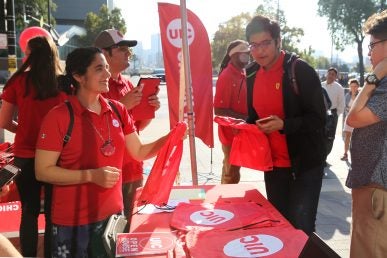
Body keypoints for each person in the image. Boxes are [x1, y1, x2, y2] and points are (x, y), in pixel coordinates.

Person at [34, 47, 172, 257]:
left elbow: (139, 151)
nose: (108, 74)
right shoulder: (58, 117)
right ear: (79, 76)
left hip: (112, 218)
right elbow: (43, 171)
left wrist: (171, 137)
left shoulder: (118, 109)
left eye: (107, 68)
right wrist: (91, 175)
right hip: (73, 222)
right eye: (99, 69)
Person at [244, 15, 326, 235]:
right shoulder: (251, 73)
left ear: (278, 41)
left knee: (300, 230)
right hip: (273, 167)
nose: (260, 51)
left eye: (266, 43)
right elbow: (253, 115)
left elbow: (319, 119)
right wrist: (243, 127)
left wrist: (284, 125)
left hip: (303, 166)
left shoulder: (299, 70)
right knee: (279, 228)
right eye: (254, 45)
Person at [0, 36, 66, 257]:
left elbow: (4, 121)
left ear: (29, 55)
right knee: (53, 213)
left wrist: (24, 129)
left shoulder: (17, 81)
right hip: (57, 158)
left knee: (28, 213)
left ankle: (27, 255)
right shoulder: (64, 83)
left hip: (25, 155)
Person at [94, 29, 160, 219]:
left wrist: (150, 108)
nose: (128, 53)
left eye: (129, 49)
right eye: (122, 49)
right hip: (107, 171)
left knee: (130, 224)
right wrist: (123, 105)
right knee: (108, 230)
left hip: (133, 167)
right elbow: (93, 126)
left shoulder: (127, 84)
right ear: (104, 53)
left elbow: (136, 127)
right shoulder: (93, 86)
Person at [345, 10, 387, 258]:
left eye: (372, 45)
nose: (369, 52)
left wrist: (375, 75)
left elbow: (354, 117)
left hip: (376, 188)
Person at [214, 39, 249, 184]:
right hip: (230, 135)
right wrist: (245, 118)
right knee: (231, 173)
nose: (248, 55)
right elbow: (219, 110)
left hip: (239, 133)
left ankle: (228, 201)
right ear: (234, 55)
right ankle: (227, 202)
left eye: (248, 53)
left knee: (234, 171)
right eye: (244, 53)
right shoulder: (227, 76)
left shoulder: (242, 73)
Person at [321, 67, 345, 163]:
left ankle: (324, 157)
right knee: (320, 135)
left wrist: (335, 116)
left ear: (336, 77)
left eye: (333, 74)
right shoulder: (320, 85)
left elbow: (341, 104)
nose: (330, 76)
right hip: (321, 113)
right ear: (326, 74)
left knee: (330, 137)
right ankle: (320, 157)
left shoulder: (339, 88)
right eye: (329, 73)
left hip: (332, 114)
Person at [340, 79, 360, 161]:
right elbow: (345, 108)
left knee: (357, 137)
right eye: (351, 86)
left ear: (358, 87)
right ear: (349, 87)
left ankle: (356, 155)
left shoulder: (360, 95)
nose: (353, 88)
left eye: (355, 86)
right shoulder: (347, 95)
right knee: (347, 136)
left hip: (358, 119)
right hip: (348, 118)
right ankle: (345, 154)